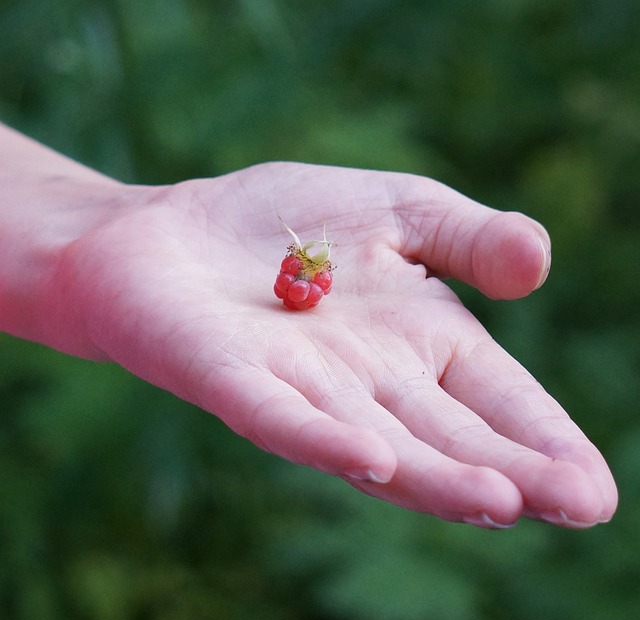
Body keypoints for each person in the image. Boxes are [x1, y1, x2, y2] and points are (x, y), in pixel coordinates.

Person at [0, 122, 617, 529]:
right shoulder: (299, 272)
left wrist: (94, 225)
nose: (308, 275)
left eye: (312, 271)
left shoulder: (306, 274)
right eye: (307, 270)